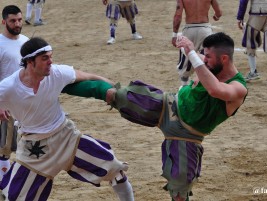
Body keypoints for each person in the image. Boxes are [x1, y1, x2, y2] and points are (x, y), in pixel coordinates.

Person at [63, 32, 248, 201]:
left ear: (224, 58)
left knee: (179, 194)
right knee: (115, 95)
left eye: (208, 57)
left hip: (186, 136)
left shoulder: (238, 88)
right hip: (167, 105)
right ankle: (57, 84)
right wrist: (181, 41)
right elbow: (196, 58)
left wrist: (191, 52)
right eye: (204, 56)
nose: (204, 60)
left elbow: (214, 89)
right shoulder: (211, 65)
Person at [0, 37, 134, 201]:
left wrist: (116, 88)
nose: (50, 61)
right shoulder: (9, 86)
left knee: (115, 170)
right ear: (29, 62)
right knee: (15, 197)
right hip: (33, 148)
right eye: (45, 58)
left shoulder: (56, 73)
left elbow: (87, 76)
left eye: (51, 56)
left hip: (66, 137)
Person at [0, 5, 29, 182]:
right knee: (4, 149)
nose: (17, 23)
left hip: (26, 104)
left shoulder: (26, 41)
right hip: (6, 104)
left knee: (25, 148)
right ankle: (4, 187)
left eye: (19, 19)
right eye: (13, 20)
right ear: (4, 21)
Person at [172, 0, 222, 86]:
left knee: (186, 61)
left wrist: (174, 35)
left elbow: (178, 15)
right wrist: (216, 17)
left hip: (189, 30)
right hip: (205, 30)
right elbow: (218, 12)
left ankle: (184, 86)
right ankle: (206, 88)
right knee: (207, 60)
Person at [237, 0, 267, 86]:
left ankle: (253, 71)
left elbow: (243, 1)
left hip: (256, 14)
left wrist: (240, 17)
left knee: (250, 40)